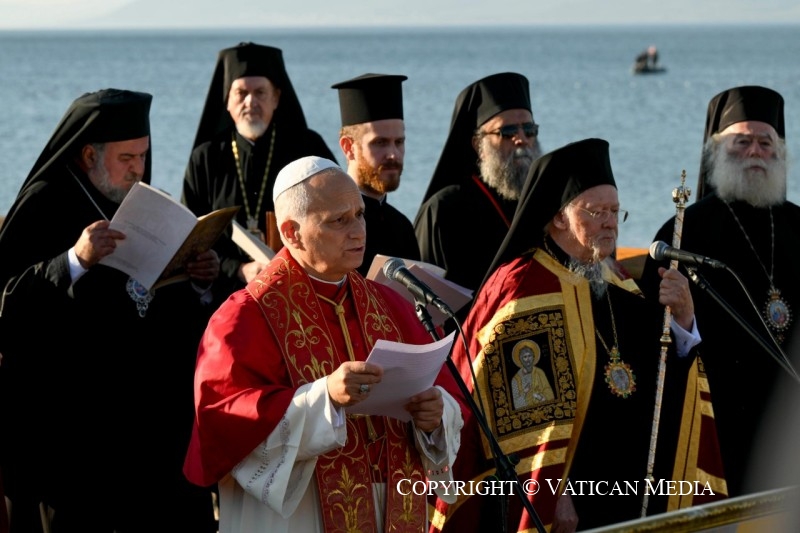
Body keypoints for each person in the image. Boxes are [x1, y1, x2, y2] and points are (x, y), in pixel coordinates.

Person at [429, 138, 722, 532]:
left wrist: (684, 320)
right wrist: (554, 489)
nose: (610, 223)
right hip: (561, 495)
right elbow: (509, 413)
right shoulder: (523, 286)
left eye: (616, 211)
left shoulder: (616, 279)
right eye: (597, 212)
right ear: (559, 218)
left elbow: (662, 367)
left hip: (625, 487)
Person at [182, 156, 465, 533]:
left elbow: (447, 396)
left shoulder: (391, 304)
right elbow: (224, 424)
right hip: (302, 515)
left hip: (390, 509)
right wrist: (324, 398)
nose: (358, 231)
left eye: (360, 214)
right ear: (291, 232)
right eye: (338, 220)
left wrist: (435, 416)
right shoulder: (245, 317)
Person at [0, 89, 218, 532]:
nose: (138, 168)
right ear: (89, 155)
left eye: (143, 155)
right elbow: (8, 301)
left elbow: (164, 305)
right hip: (74, 425)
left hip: (148, 419)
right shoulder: (44, 203)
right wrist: (74, 260)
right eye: (127, 158)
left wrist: (199, 280)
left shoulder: (145, 205)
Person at [640, 85, 800, 498]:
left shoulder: (799, 226)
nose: (754, 152)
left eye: (765, 142)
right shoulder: (682, 233)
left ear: (779, 152)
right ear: (716, 152)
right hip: (720, 416)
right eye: (741, 141)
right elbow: (652, 339)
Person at [182, 41, 337, 301]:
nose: (250, 101)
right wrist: (237, 269)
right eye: (241, 93)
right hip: (224, 297)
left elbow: (334, 218)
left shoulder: (308, 148)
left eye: (260, 92)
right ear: (227, 101)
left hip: (297, 294)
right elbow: (189, 238)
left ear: (276, 98)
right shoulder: (205, 158)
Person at [414, 72, 542, 295]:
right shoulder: (445, 209)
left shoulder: (543, 202)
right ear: (478, 145)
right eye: (507, 132)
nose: (521, 139)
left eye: (529, 130)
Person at [331, 73, 420, 277]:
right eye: (380, 143)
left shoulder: (402, 227)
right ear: (348, 147)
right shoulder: (331, 223)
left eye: (399, 142)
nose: (393, 154)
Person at [509, 339, 555, 409]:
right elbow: (516, 405)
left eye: (529, 356)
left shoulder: (539, 372)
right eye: (525, 357)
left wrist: (540, 397)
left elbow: (549, 392)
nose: (528, 359)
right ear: (520, 359)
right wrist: (524, 392)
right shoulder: (515, 379)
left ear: (533, 357)